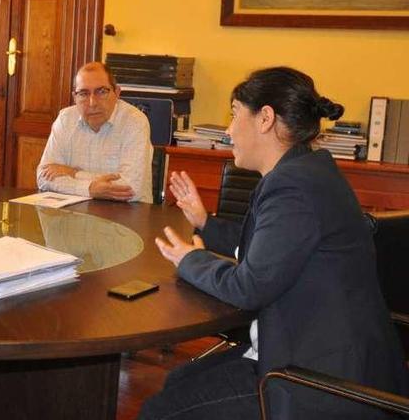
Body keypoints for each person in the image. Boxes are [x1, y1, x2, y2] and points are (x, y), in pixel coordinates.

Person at [141, 67, 408, 419]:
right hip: (313, 349)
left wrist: (191, 259)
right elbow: (271, 248)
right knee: (179, 381)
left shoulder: (293, 187)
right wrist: (205, 223)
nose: (228, 130)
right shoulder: (308, 171)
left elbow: (249, 287)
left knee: (161, 410)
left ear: (265, 118)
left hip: (319, 379)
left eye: (235, 114)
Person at [36, 61, 153, 202]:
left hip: (126, 216)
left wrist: (75, 173)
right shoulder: (65, 119)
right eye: (84, 94)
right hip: (76, 215)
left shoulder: (134, 122)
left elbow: (131, 188)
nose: (92, 102)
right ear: (75, 97)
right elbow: (44, 177)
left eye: (101, 92)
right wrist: (90, 189)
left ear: (117, 93)